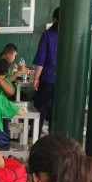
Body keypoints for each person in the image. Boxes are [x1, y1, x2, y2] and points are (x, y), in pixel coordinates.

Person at [32, 7, 59, 135]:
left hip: (48, 78)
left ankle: (35, 134)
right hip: (66, 80)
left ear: (55, 19)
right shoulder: (72, 34)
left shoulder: (48, 35)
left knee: (40, 106)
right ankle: (55, 135)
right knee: (58, 109)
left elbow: (41, 59)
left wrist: (35, 78)